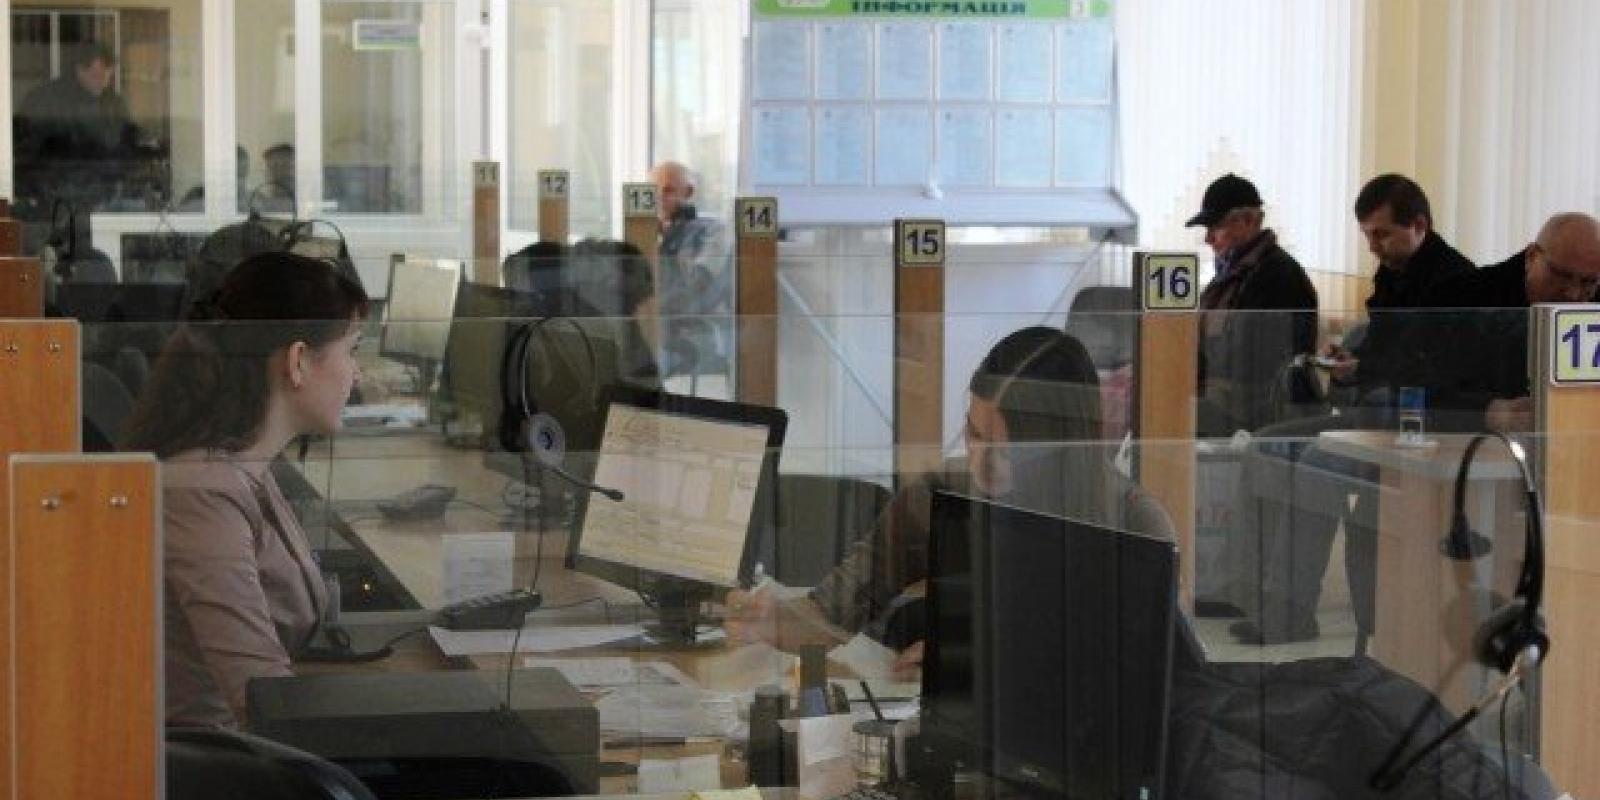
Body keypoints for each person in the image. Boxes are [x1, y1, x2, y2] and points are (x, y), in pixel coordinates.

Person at [725, 327, 1174, 671]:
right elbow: (833, 611)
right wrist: (770, 620)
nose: (981, 460)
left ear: (1060, 449)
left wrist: (981, 664)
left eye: (1007, 449)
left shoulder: (1135, 523)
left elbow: (1149, 678)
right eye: (974, 433)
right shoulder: (943, 492)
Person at [1217, 175, 1476, 645]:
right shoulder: (1393, 275)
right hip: (1375, 415)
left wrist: (1365, 367)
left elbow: (1433, 371)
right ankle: (1253, 594)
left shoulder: (1456, 283)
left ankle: (1291, 611)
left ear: (1419, 226)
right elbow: (1385, 352)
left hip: (1421, 424)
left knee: (1319, 463)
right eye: (1368, 235)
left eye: (1382, 235)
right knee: (1267, 445)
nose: (1373, 247)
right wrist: (1352, 363)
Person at [120, 252, 369, 728]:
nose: (356, 374)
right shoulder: (200, 490)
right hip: (218, 757)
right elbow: (257, 690)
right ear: (298, 361)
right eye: (351, 350)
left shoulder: (243, 463)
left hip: (242, 741)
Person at [1433, 211, 1600, 433]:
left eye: (1589, 282)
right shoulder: (1461, 298)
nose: (1573, 293)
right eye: (1561, 275)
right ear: (1531, 257)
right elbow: (1417, 389)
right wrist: (1491, 412)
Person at [1186, 174, 1320, 436]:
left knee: (1166, 412)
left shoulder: (1278, 276)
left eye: (1216, 226)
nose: (1208, 238)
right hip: (1225, 402)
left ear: (1248, 221)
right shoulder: (1231, 275)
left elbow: (1249, 364)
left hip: (1251, 414)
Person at [13, 42, 143, 224]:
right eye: (97, 75)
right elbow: (26, 151)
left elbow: (127, 146)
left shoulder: (114, 103)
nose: (103, 82)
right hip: (56, 198)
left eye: (108, 76)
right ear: (79, 69)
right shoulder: (46, 100)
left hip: (102, 197)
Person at [650, 161, 732, 378]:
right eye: (653, 191)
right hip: (657, 327)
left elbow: (700, 283)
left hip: (698, 330)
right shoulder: (646, 233)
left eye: (668, 190)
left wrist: (672, 236)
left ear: (688, 193)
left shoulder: (713, 230)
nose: (659, 197)